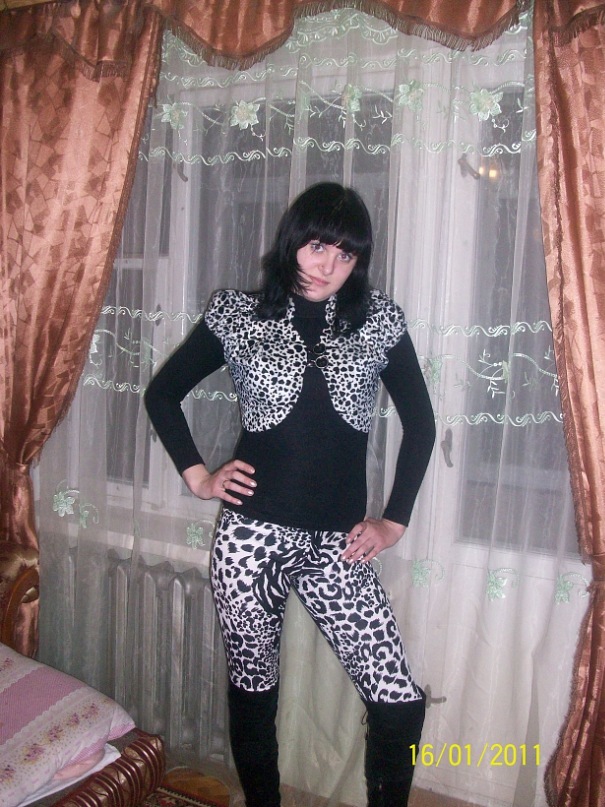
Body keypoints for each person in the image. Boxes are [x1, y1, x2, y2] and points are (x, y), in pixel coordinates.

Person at [145, 182, 436, 807]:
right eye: (317, 246)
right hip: (251, 539)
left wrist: (393, 522)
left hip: (338, 545)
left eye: (346, 254)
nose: (328, 265)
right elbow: (162, 394)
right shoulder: (237, 314)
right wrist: (200, 477)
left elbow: (422, 425)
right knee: (255, 692)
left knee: (399, 701)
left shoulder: (378, 321)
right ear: (292, 242)